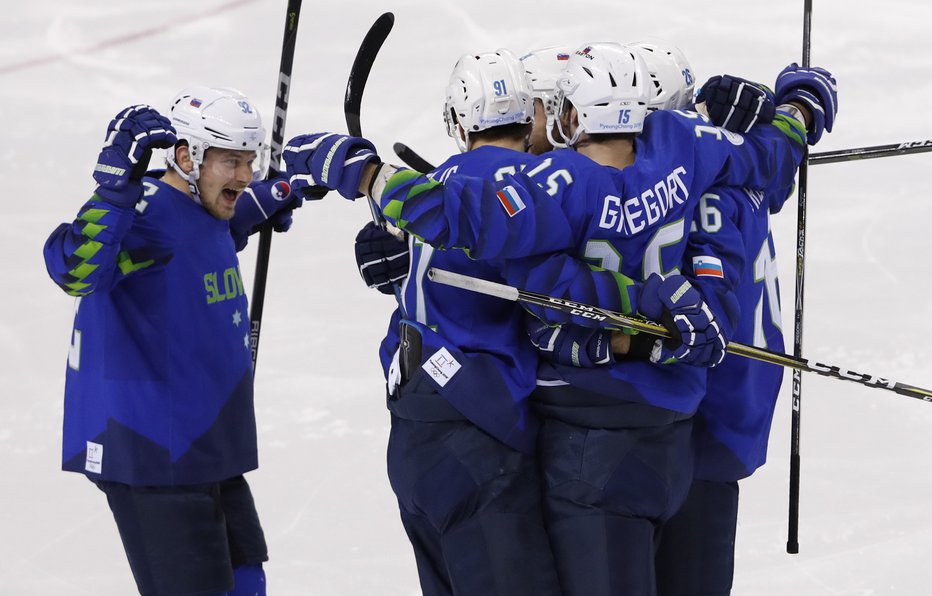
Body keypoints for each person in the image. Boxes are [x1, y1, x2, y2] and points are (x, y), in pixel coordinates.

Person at [285, 40, 835, 594]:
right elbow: (769, 164)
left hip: (588, 443)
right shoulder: (691, 147)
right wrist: (795, 109)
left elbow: (498, 246)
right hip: (697, 433)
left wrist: (371, 180)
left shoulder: (563, 184)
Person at [301, 50, 561, 596]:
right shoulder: (543, 185)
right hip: (483, 429)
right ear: (533, 113)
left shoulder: (423, 191)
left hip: (415, 429)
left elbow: (417, 279)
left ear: (459, 120)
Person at [42, 86, 301, 596]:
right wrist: (114, 183)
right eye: (232, 162)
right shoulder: (139, 216)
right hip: (154, 448)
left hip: (205, 443)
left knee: (247, 579)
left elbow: (195, 242)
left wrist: (271, 198)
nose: (246, 176)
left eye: (250, 161)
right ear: (187, 157)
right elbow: (75, 269)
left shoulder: (200, 213)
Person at [654, 65, 838, 596]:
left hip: (684, 424)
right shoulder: (751, 170)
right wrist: (798, 108)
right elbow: (778, 152)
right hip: (735, 422)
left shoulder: (681, 192)